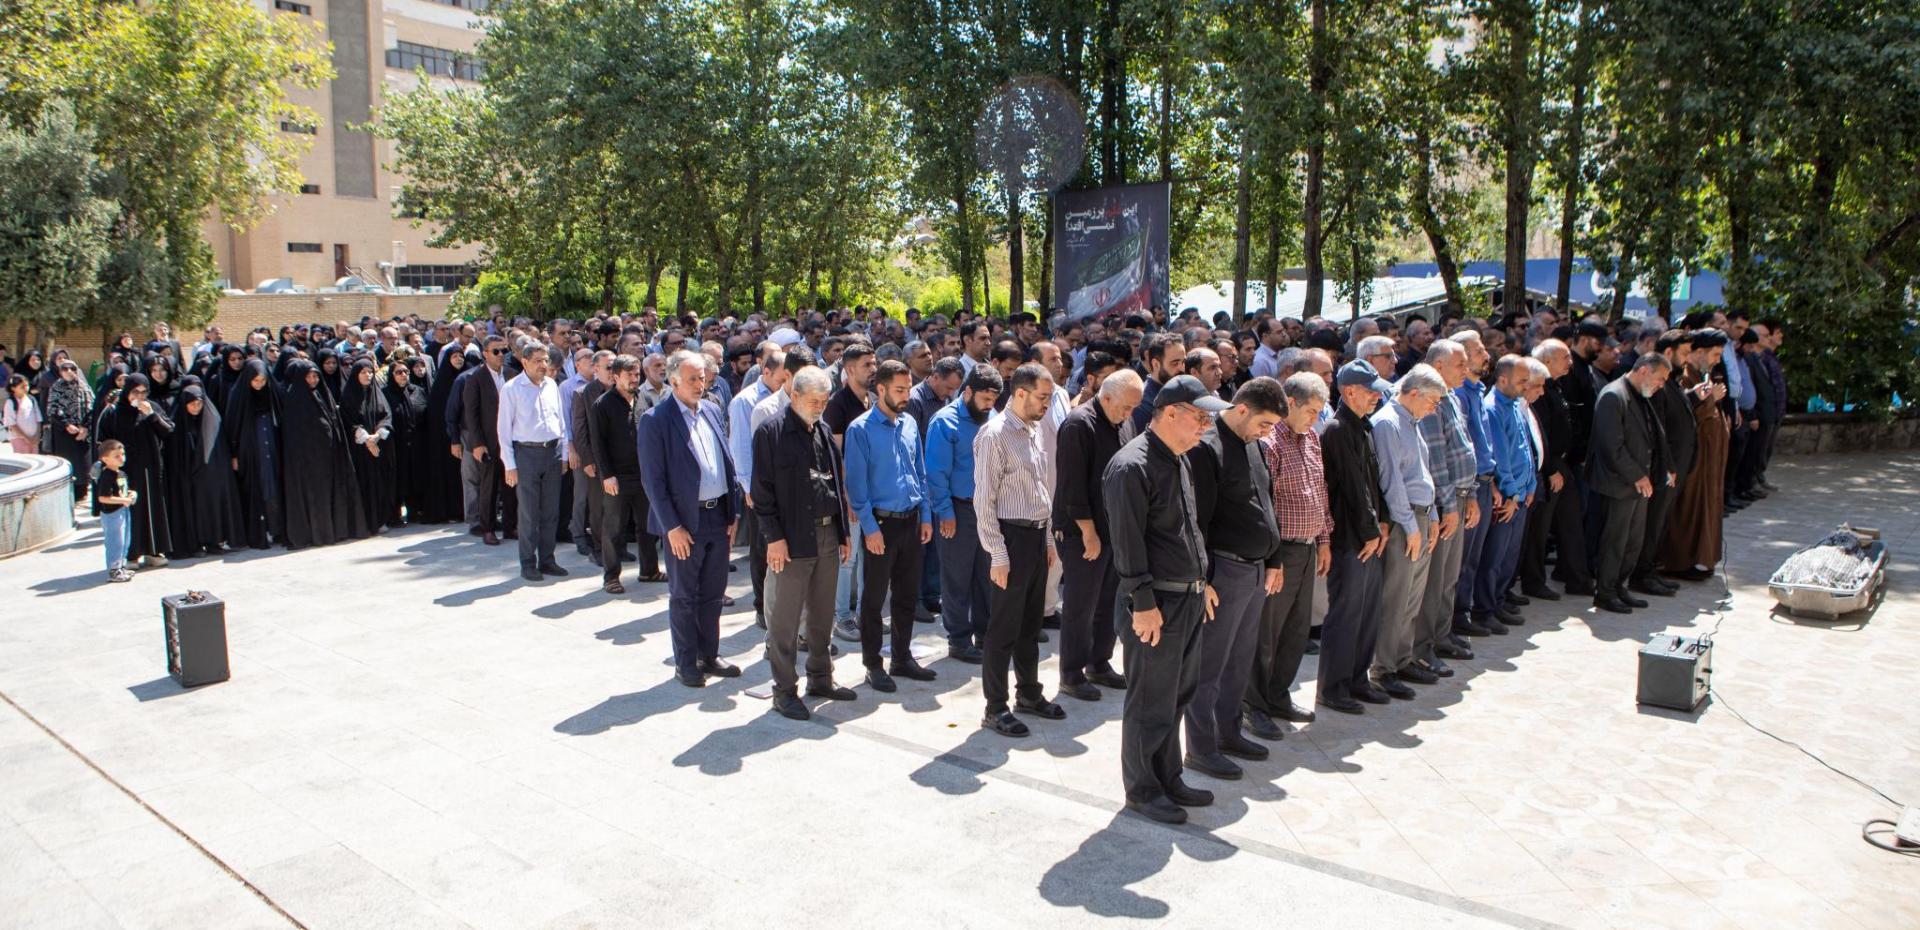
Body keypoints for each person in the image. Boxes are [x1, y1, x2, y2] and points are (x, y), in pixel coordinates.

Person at [1103, 374, 1227, 825]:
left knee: (1176, 696)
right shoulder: (1130, 466)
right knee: (1149, 701)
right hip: (1156, 604)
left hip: (1186, 597)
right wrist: (1143, 603)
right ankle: (1142, 788)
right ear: (1170, 413)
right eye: (1200, 418)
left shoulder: (1179, 459)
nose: (1205, 427)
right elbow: (1127, 542)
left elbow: (1187, 530)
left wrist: (1201, 580)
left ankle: (1168, 777)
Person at [1180, 376, 1286, 777]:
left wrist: (1274, 558)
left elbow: (1266, 501)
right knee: (1209, 664)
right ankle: (1201, 747)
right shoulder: (1208, 448)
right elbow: (1198, 521)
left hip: (1254, 570)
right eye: (1264, 423)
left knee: (1239, 660)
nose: (1267, 432)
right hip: (1223, 571)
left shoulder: (1252, 442)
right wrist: (1204, 578)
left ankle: (1228, 731)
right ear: (1241, 409)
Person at [752, 366, 858, 720]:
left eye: (824, 401)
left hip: (827, 535)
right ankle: (784, 690)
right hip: (790, 539)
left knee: (822, 614)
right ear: (794, 395)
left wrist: (843, 533)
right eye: (814, 401)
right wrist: (774, 538)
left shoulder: (823, 430)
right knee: (784, 620)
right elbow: (761, 492)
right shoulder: (771, 432)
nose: (820, 407)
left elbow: (835, 485)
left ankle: (820, 677)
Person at [638, 350, 742, 687]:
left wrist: (733, 511)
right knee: (684, 595)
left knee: (713, 591)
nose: (701, 384)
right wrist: (672, 526)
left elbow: (725, 462)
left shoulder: (710, 409)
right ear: (674, 381)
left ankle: (709, 653)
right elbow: (653, 481)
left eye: (703, 378)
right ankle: (686, 662)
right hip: (684, 521)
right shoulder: (656, 420)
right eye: (693, 379)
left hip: (717, 516)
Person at [973, 363, 1062, 735]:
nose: (1046, 405)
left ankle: (1028, 693)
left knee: (1030, 625)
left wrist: (1047, 540)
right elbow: (984, 500)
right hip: (1008, 538)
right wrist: (998, 553)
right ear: (1020, 393)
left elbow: (1039, 488)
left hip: (1036, 537)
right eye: (1042, 397)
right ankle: (995, 707)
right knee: (1003, 629)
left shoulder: (1034, 428)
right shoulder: (994, 434)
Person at [1243, 372, 1333, 736]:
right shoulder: (1270, 441)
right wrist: (1273, 558)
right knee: (1266, 632)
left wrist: (1324, 539)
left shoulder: (1312, 438)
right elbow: (1265, 504)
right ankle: (1253, 705)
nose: (1315, 418)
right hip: (1281, 552)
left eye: (1319, 412)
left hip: (1308, 547)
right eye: (1311, 410)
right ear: (1291, 402)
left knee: (1296, 631)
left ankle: (1278, 695)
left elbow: (1319, 490)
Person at [843, 359, 936, 693]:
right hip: (881, 524)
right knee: (873, 600)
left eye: (908, 388)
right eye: (899, 390)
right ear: (880, 389)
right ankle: (872, 664)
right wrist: (870, 529)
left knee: (907, 595)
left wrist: (926, 515)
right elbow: (856, 486)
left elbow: (920, 472)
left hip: (911, 521)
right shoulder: (860, 429)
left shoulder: (909, 423)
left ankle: (901, 657)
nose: (906, 396)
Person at [1052, 368, 1140, 700]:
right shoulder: (1079, 424)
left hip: (1114, 527)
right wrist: (1088, 532)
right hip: (1081, 531)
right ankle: (1071, 674)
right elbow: (1071, 486)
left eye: (1133, 408)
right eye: (1125, 407)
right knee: (1081, 605)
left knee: (1108, 601)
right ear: (1106, 397)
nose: (1129, 414)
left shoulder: (1124, 421)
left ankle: (1098, 663)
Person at [1366, 365, 1448, 701]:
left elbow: (1422, 473)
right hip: (1405, 520)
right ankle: (1383, 668)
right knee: (1396, 597)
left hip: (1422, 515)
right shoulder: (1388, 423)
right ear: (1414, 393)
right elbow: (1392, 481)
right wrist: (1411, 526)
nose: (1434, 409)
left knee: (1413, 597)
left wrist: (1434, 516)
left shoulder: (1412, 421)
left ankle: (1402, 658)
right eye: (1432, 401)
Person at [1316, 361, 1394, 714]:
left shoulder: (1363, 426)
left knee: (1367, 612)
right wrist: (1370, 531)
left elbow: (1374, 482)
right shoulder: (1337, 429)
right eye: (1370, 390)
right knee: (1346, 614)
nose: (1377, 396)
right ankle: (1333, 687)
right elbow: (1352, 486)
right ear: (1349, 391)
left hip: (1369, 535)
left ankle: (1357, 679)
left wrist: (1384, 522)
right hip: (1350, 538)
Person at [1409, 342, 1480, 680]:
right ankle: (1422, 649)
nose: (1466, 370)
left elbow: (1464, 449)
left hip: (1460, 497)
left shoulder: (1451, 397)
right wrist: (1450, 506)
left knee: (1449, 576)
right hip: (1442, 502)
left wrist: (1472, 494)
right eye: (1459, 364)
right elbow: (1436, 460)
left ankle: (1441, 635)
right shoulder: (1431, 400)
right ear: (1438, 365)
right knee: (1434, 581)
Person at [925, 367, 1001, 663]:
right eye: (984, 399)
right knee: (957, 578)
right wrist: (945, 512)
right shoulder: (945, 422)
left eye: (993, 400)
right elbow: (936, 473)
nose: (989, 405)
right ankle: (958, 639)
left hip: (989, 509)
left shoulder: (992, 418)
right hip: (957, 509)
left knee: (987, 576)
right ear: (967, 392)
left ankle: (985, 634)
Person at [1588, 353, 1672, 614]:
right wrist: (1637, 475)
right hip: (1619, 484)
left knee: (1633, 541)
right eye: (1660, 378)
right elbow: (1612, 446)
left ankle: (1619, 586)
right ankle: (1605, 592)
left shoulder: (1640, 394)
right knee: (1615, 541)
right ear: (1644, 370)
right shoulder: (1613, 395)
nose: (1661, 385)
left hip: (1638, 484)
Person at [1520, 340, 1595, 599]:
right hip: (1548, 467)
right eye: (1565, 357)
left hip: (1563, 464)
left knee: (1571, 522)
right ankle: (1533, 581)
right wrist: (1551, 467)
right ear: (1547, 360)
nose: (1570, 363)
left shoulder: (1556, 386)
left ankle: (1577, 578)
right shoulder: (1537, 389)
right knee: (1539, 528)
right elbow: (1539, 431)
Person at [1469, 355, 1537, 633]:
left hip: (1520, 496)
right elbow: (1501, 458)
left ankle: (1497, 600)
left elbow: (1525, 448)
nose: (1526, 386)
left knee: (1508, 556)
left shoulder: (1515, 405)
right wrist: (1513, 494)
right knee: (1492, 559)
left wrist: (1530, 486)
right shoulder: (1493, 408)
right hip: (1507, 498)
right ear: (1502, 379)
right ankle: (1484, 609)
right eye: (1521, 381)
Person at [498, 344, 570, 581]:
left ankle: (547, 559)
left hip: (552, 453)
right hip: (526, 454)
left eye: (545, 360)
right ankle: (528, 563)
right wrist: (510, 464)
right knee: (529, 513)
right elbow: (503, 430)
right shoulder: (512, 388)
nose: (543, 365)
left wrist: (564, 454)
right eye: (538, 360)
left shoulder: (551, 385)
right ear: (525, 362)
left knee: (551, 511)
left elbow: (561, 422)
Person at [280, 359, 368, 549]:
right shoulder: (294, 400)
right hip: (309, 462)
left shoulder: (322, 394)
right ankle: (320, 534)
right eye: (309, 377)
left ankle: (338, 530)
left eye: (315, 376)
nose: (313, 380)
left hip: (330, 456)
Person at [591, 355, 659, 592]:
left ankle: (649, 570)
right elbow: (598, 443)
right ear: (615, 376)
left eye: (637, 374)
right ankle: (611, 576)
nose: (634, 379)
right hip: (617, 476)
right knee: (614, 527)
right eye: (629, 374)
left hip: (643, 474)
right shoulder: (603, 404)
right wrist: (606, 475)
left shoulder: (644, 399)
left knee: (647, 525)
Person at [92, 373, 174, 567]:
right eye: (135, 392)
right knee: (130, 510)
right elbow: (102, 442)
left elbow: (168, 431)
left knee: (152, 508)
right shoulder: (113, 412)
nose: (139, 396)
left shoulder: (151, 408)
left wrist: (151, 416)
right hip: (124, 472)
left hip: (150, 469)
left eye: (144, 392)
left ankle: (153, 551)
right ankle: (131, 555)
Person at [163, 383, 244, 558]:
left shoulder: (211, 419)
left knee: (211, 509)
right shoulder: (178, 422)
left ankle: (214, 541)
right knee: (192, 511)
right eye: (192, 403)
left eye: (199, 403)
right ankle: (195, 545)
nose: (196, 407)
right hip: (187, 477)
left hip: (209, 477)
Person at [462, 335, 515, 546]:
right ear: (485, 354)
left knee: (511, 485)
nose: (501, 355)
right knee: (489, 487)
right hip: (489, 441)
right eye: (496, 351)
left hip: (511, 440)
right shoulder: (475, 378)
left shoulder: (512, 374)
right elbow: (471, 414)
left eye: (504, 351)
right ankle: (488, 529)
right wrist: (477, 443)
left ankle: (511, 527)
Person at [341, 359, 395, 534]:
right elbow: (347, 421)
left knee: (380, 483)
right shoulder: (348, 396)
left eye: (370, 372)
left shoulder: (378, 394)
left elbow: (386, 416)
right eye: (363, 372)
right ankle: (364, 522)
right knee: (363, 483)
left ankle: (381, 519)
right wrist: (366, 438)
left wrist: (377, 435)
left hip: (379, 447)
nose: (367, 375)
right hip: (359, 450)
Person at [423, 346, 473, 525]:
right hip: (445, 439)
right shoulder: (442, 384)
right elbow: (438, 413)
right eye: (454, 356)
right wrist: (452, 436)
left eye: (461, 356)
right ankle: (450, 509)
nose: (459, 359)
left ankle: (465, 510)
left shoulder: (468, 378)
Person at [383, 360, 432, 525]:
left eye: (406, 372)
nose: (404, 375)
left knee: (416, 476)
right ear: (391, 375)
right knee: (399, 478)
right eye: (399, 372)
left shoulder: (417, 391)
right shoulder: (385, 394)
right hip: (396, 444)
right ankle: (395, 513)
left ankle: (416, 510)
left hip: (417, 442)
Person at [44, 359, 94, 503]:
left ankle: (82, 493)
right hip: (64, 434)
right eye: (65, 369)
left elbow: (91, 407)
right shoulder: (56, 387)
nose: (69, 372)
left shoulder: (84, 387)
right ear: (60, 372)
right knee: (69, 463)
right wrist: (66, 425)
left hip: (82, 433)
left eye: (72, 368)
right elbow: (52, 410)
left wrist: (85, 427)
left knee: (83, 464)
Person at [92, 439, 137, 582]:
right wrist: (123, 500)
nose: (121, 458)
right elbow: (103, 498)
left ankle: (121, 566)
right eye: (116, 456)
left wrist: (131, 494)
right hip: (112, 513)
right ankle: (114, 569)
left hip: (123, 510)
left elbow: (121, 491)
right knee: (115, 541)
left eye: (122, 454)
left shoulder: (121, 473)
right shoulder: (107, 476)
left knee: (125, 540)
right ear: (105, 459)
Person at [4, 375, 39, 453]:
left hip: (34, 439)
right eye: (22, 387)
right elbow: (12, 424)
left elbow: (38, 419)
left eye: (27, 385)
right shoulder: (10, 403)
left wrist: (37, 435)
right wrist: (26, 438)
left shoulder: (32, 399)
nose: (26, 388)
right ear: (13, 388)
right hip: (18, 439)